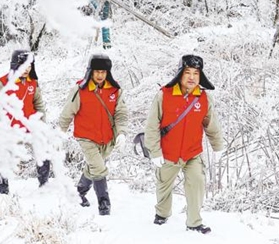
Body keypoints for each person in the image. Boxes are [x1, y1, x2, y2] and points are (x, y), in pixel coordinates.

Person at [144, 54, 224, 233]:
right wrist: (155, 152)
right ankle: (162, 214)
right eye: (187, 72)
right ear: (180, 74)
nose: (192, 77)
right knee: (163, 186)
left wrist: (217, 146)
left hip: (192, 153)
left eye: (196, 73)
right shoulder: (164, 95)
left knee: (197, 182)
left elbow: (212, 124)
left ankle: (194, 223)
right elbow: (151, 126)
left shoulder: (203, 98)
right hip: (168, 153)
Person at [59, 54, 128, 215]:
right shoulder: (80, 90)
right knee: (99, 168)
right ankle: (104, 206)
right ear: (90, 71)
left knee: (93, 167)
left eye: (103, 72)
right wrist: (59, 134)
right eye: (97, 71)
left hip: (107, 139)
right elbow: (67, 113)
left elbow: (121, 114)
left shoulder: (115, 90)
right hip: (86, 137)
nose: (100, 75)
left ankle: (79, 193)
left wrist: (121, 133)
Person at [0, 49, 50, 194]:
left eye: (29, 65)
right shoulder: (2, 83)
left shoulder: (33, 83)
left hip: (31, 127)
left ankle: (44, 184)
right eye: (23, 65)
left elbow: (39, 104)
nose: (27, 69)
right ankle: (3, 186)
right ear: (14, 65)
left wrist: (42, 123)